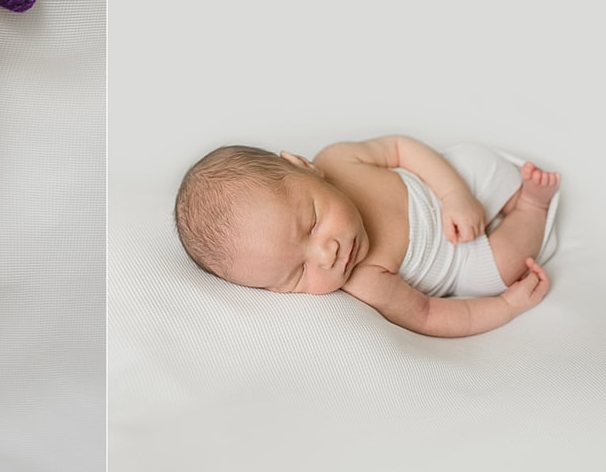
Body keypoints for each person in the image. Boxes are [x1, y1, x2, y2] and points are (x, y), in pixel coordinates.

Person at [174, 135, 560, 337]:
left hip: (443, 191)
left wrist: (453, 194)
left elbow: (400, 148)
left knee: (474, 160)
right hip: (460, 258)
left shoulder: (339, 159)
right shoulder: (365, 281)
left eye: (312, 223)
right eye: (298, 274)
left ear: (303, 166)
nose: (327, 256)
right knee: (501, 268)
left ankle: (494, 192)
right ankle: (531, 207)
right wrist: (507, 307)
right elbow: (429, 315)